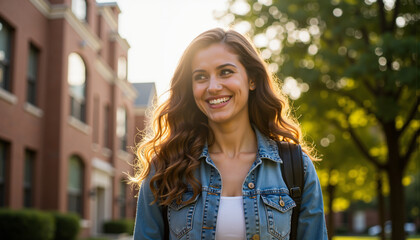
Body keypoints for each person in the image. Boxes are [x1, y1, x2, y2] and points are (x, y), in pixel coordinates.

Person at [131, 28, 328, 240]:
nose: (213, 86)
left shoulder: (297, 167)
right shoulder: (165, 167)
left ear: (252, 79)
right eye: (201, 77)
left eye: (225, 72)